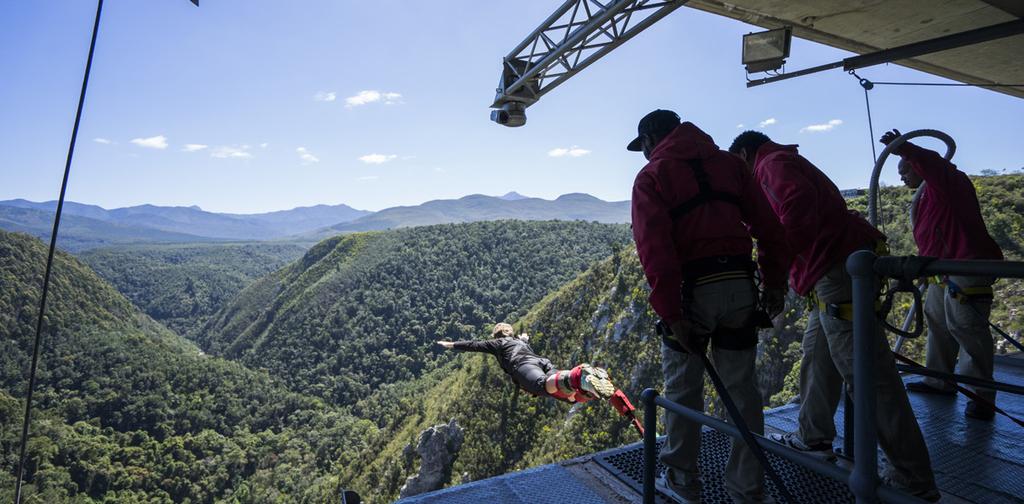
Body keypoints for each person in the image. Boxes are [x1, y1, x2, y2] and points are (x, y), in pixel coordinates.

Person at [729, 130, 939, 501]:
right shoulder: (783, 161)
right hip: (832, 272)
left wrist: (775, 270)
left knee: (868, 375)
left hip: (836, 272)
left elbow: (793, 212)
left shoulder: (771, 165)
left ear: (745, 154)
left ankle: (912, 476)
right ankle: (813, 438)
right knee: (817, 355)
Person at [629, 110, 791, 504]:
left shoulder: (652, 177)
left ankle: (683, 481)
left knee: (684, 391)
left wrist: (671, 314)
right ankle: (747, 489)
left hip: (692, 294)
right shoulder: (731, 166)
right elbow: (770, 229)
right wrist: (773, 283)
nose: (644, 154)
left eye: (643, 147)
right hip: (739, 289)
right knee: (743, 391)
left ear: (651, 139)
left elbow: (656, 251)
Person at [881, 129, 1004, 421]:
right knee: (938, 324)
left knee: (967, 329)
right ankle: (939, 381)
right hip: (941, 270)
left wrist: (904, 148)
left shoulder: (949, 183)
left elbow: (934, 165)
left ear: (918, 167)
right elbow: (934, 236)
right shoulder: (926, 199)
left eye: (904, 171)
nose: (901, 178)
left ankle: (981, 396)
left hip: (966, 267)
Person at [437, 322, 615, 403]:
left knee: (542, 386)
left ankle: (578, 378)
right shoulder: (519, 341)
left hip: (523, 366)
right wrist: (523, 338)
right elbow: (523, 339)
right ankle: (580, 387)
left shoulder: (498, 343)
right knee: (565, 394)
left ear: (496, 336)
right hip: (542, 363)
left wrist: (451, 345)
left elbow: (474, 345)